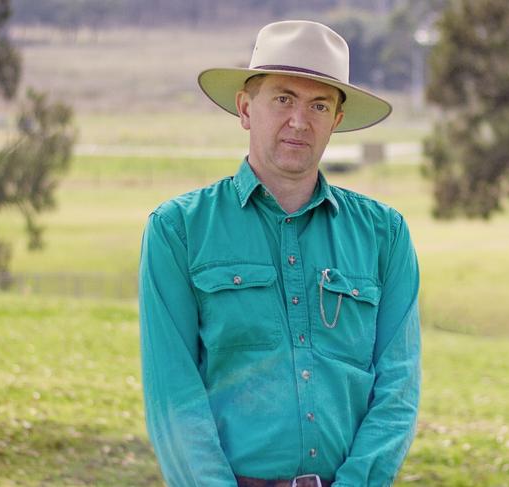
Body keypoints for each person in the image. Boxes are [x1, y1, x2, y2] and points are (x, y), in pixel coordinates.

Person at [139, 20, 420, 487]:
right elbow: (173, 395)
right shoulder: (177, 231)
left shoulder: (385, 236)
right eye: (283, 99)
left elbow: (399, 390)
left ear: (337, 120)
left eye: (319, 105)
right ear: (246, 108)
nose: (299, 121)